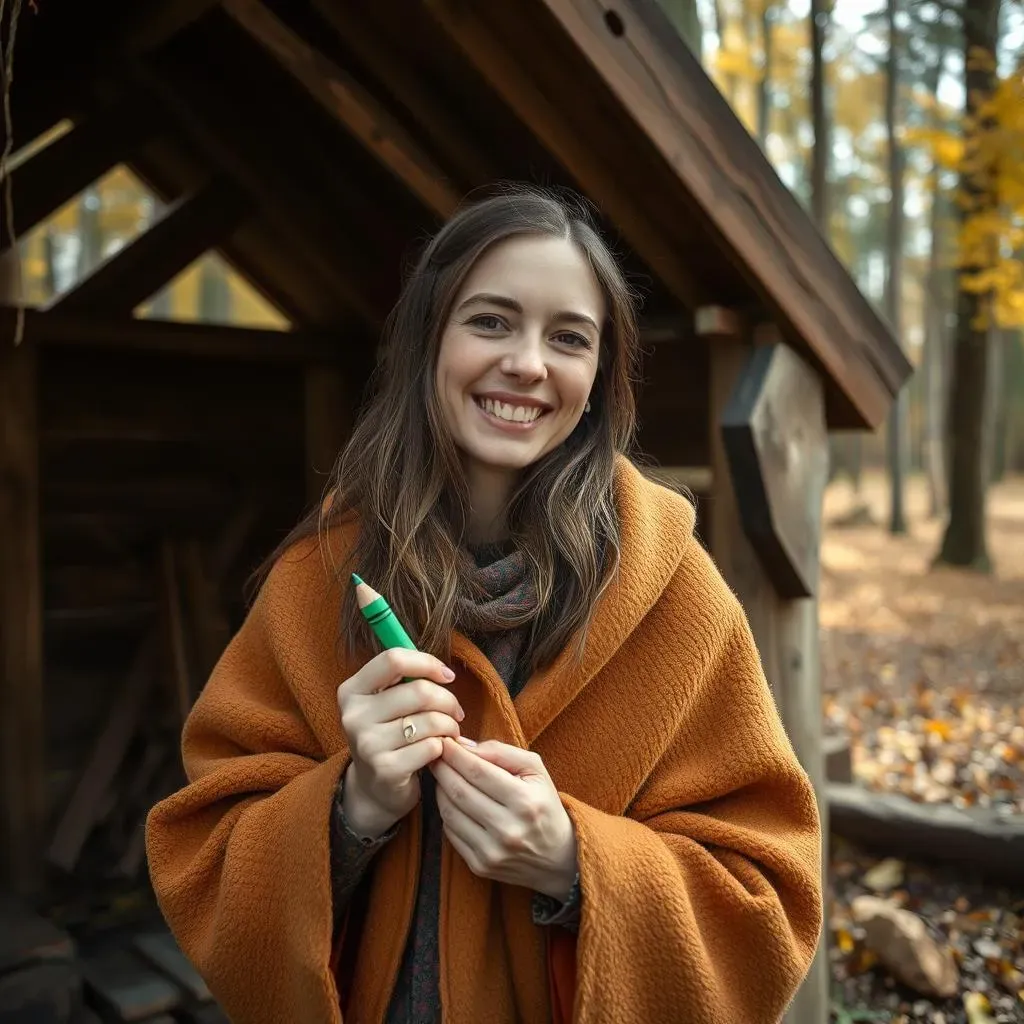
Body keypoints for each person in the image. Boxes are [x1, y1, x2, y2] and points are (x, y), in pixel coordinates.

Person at [145, 185, 823, 1024]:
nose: (529, 363)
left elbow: (771, 897)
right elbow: (203, 849)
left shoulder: (679, 596)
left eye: (568, 337)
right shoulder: (315, 582)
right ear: (431, 337)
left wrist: (576, 864)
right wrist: (351, 809)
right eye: (492, 321)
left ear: (600, 374)